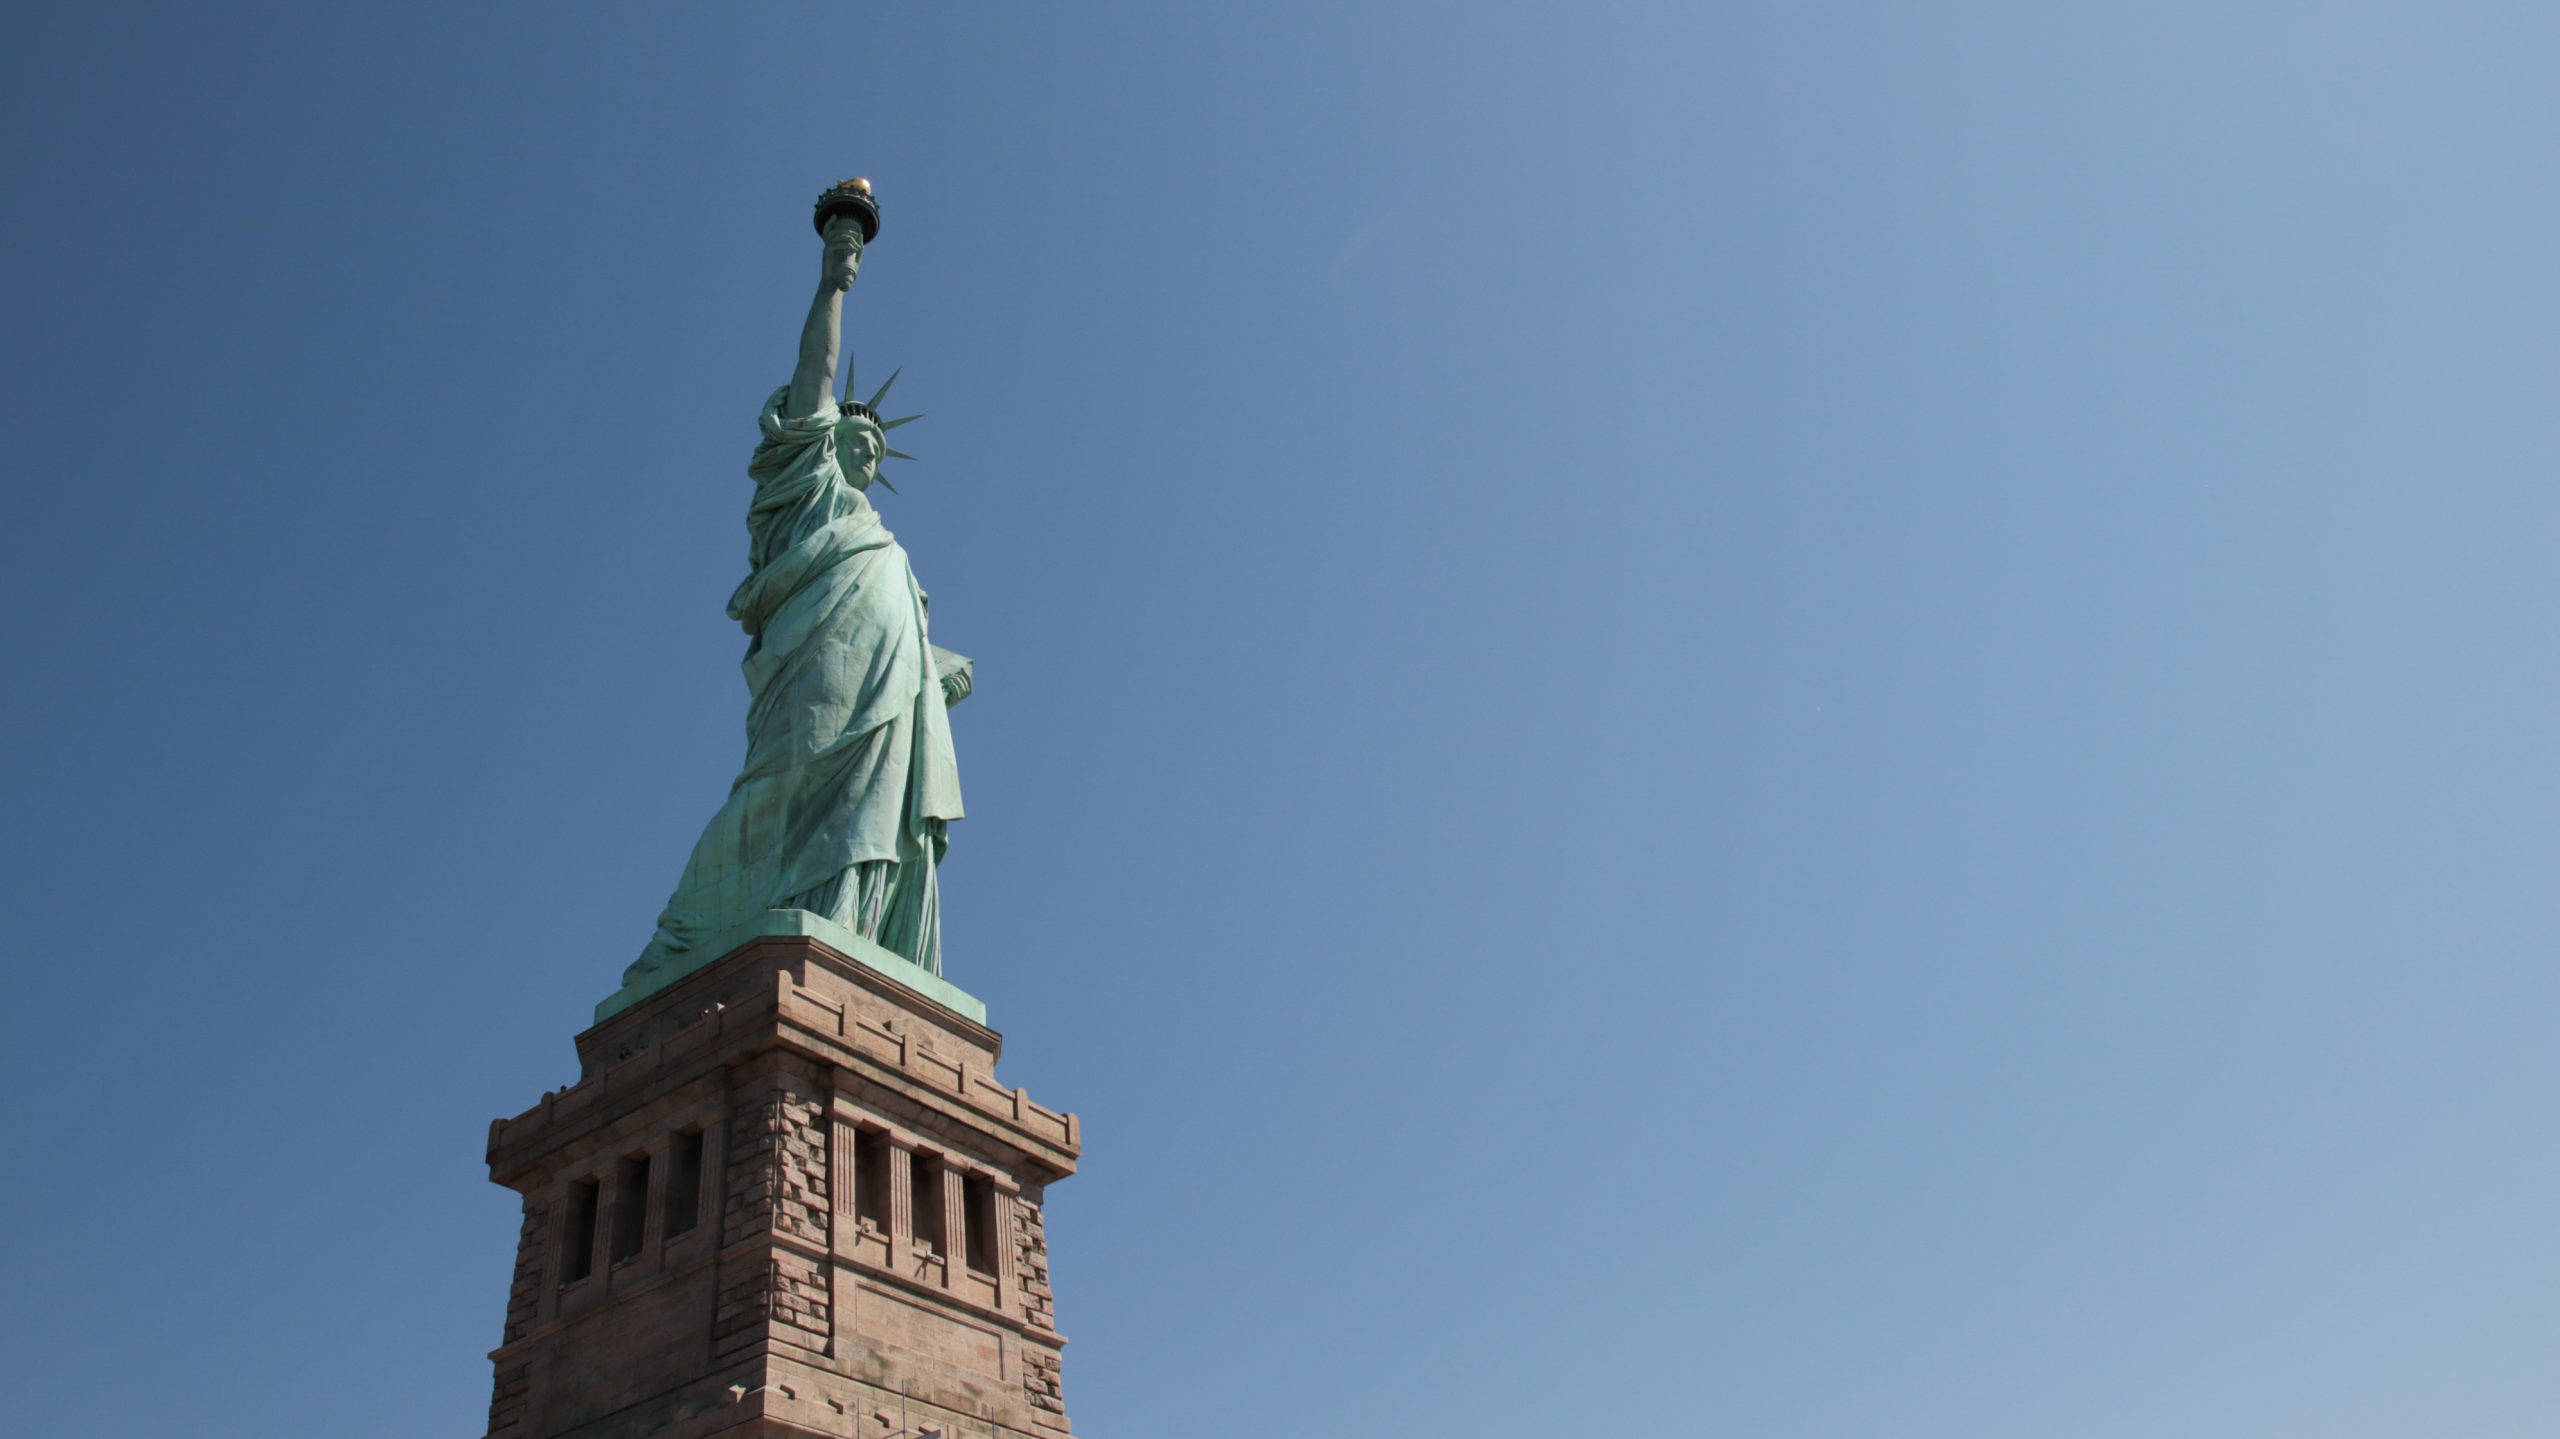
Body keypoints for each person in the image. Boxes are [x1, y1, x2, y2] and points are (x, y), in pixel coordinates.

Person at [623, 203, 968, 987]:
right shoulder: (807, 486)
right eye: (857, 435)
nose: (870, 447)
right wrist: (834, 283)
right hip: (812, 674)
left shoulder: (887, 547)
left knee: (873, 809)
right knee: (779, 789)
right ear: (821, 438)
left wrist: (935, 670)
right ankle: (688, 937)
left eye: (879, 445)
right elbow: (816, 370)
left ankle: (851, 927)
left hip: (886, 692)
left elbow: (910, 643)